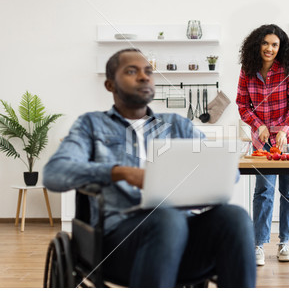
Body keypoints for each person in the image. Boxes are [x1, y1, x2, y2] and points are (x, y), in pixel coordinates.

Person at [43, 48, 256, 287]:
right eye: (131, 71)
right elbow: (55, 174)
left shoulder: (178, 126)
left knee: (235, 217)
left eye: (148, 72)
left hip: (184, 237)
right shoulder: (91, 125)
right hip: (117, 244)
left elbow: (229, 174)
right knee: (165, 217)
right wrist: (118, 172)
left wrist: (199, 182)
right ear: (110, 85)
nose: (144, 77)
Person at [236, 24, 289, 266]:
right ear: (257, 44)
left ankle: (284, 243)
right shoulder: (247, 70)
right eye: (265, 43)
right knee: (264, 190)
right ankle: (258, 244)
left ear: (281, 47)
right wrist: (259, 125)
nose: (269, 48)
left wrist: (284, 130)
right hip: (264, 138)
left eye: (274, 44)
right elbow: (242, 105)